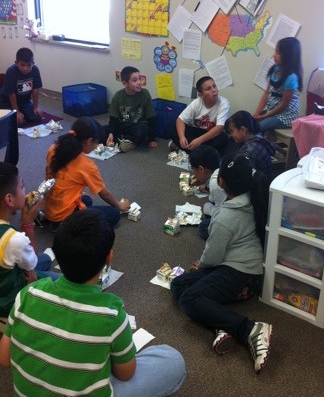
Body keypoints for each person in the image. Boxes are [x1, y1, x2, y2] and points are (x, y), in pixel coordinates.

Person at [0, 209, 186, 396]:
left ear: (57, 251)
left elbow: (5, 358)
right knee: (172, 360)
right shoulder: (111, 314)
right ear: (108, 258)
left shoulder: (27, 293)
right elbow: (125, 374)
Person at [171, 155, 272, 374]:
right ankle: (221, 323)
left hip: (242, 275)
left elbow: (212, 258)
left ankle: (250, 329)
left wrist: (201, 265)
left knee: (189, 299)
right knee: (178, 285)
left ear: (222, 183)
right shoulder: (254, 195)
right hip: (234, 267)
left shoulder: (225, 217)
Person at [44, 116, 131, 229]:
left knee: (87, 200)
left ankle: (54, 221)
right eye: (96, 143)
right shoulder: (86, 165)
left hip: (49, 208)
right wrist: (119, 205)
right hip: (64, 217)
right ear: (89, 141)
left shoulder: (54, 148)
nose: (96, 147)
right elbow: (104, 194)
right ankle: (62, 225)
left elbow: (53, 176)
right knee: (114, 214)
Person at [0, 162, 58, 318]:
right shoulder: (14, 240)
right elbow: (30, 265)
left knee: (44, 259)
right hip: (7, 301)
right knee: (59, 281)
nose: (25, 191)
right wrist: (27, 224)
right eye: (22, 186)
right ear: (10, 200)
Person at [253, 37, 303, 133]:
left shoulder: (291, 77)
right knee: (251, 123)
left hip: (286, 116)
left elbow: (284, 105)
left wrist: (265, 116)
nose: (273, 55)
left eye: (278, 53)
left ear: (288, 56)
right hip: (273, 112)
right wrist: (257, 112)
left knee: (258, 127)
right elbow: (266, 93)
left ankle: (261, 146)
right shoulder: (275, 70)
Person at [169, 76, 230, 153]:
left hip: (210, 135)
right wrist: (182, 137)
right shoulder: (196, 103)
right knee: (173, 127)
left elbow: (220, 127)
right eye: (208, 89)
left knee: (223, 138)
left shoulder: (224, 104)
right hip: (196, 131)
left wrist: (199, 140)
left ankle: (190, 151)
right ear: (201, 95)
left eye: (214, 86)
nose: (213, 90)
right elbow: (180, 120)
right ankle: (198, 152)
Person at [105, 66, 158, 153]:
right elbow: (113, 119)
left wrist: (151, 139)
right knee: (100, 131)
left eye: (139, 79)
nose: (139, 82)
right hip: (123, 125)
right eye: (135, 80)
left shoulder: (145, 94)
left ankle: (123, 140)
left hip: (138, 126)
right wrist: (111, 133)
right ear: (125, 84)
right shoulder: (118, 96)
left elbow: (151, 117)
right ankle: (127, 141)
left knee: (142, 131)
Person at [225, 110, 276, 183]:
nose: (231, 135)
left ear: (243, 130)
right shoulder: (258, 137)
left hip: (258, 191)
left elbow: (240, 179)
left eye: (232, 131)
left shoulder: (249, 152)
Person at [189, 145, 226, 241]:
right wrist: (206, 186)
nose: (193, 172)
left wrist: (208, 208)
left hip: (236, 217)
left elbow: (223, 215)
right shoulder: (221, 166)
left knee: (203, 227)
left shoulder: (215, 183)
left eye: (193, 168)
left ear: (201, 169)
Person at [0, 47, 43, 125]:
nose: (25, 68)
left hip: (24, 101)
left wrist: (36, 107)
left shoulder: (35, 70)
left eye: (29, 65)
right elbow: (11, 94)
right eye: (22, 65)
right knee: (16, 122)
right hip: (6, 101)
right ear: (16, 63)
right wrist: (17, 112)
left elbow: (35, 90)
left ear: (33, 63)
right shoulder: (11, 71)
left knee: (37, 117)